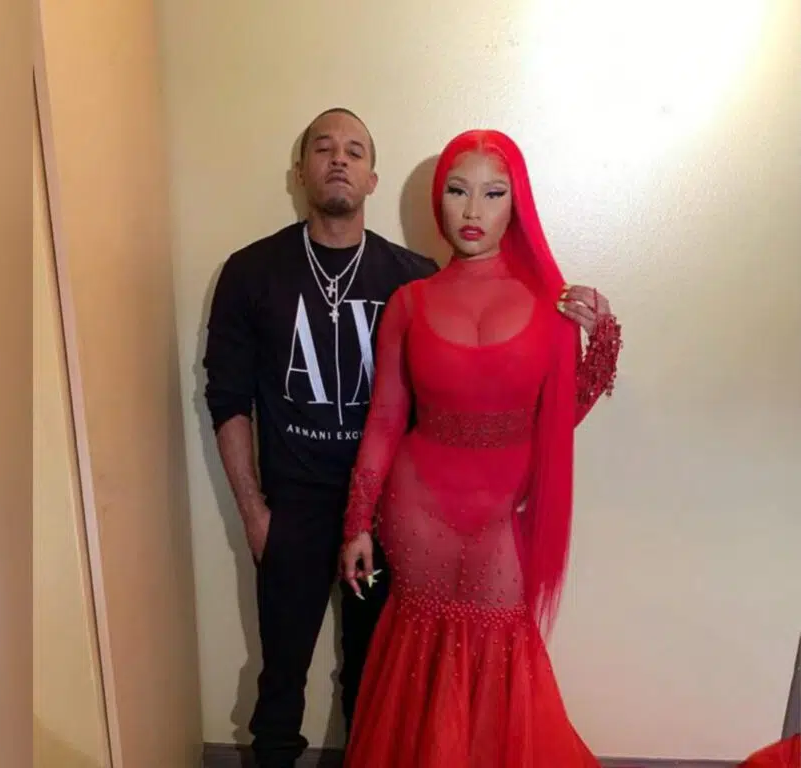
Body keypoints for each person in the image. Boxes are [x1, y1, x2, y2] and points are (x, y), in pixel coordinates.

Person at [339, 129, 623, 767]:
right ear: (438, 200)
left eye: (493, 194)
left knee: (499, 658)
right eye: (457, 191)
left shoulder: (552, 306)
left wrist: (601, 338)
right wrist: (357, 522)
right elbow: (384, 420)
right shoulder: (409, 303)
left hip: (502, 514)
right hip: (416, 511)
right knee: (419, 660)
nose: (472, 210)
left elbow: (560, 417)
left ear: (516, 205)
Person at [203, 107, 438, 768]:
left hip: (386, 512)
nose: (339, 159)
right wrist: (254, 514)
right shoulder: (251, 272)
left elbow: (449, 391)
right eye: (324, 148)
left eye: (355, 151)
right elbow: (228, 398)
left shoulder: (414, 277)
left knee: (373, 674)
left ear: (372, 179)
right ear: (300, 171)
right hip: (294, 510)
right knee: (282, 674)